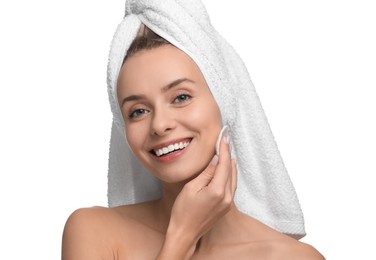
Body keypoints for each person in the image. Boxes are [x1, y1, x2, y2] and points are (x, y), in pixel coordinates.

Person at [62, 1, 325, 259]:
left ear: (223, 101)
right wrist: (182, 236)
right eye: (138, 111)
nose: (160, 124)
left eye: (181, 97)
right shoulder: (93, 232)